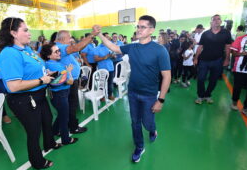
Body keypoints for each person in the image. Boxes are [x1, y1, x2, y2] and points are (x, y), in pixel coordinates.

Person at [93, 15, 171, 163]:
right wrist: (100, 35)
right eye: (138, 26)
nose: (139, 29)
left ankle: (152, 129)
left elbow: (167, 76)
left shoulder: (160, 50)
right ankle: (139, 147)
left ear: (151, 30)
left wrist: (160, 100)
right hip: (133, 92)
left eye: (143, 27)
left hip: (149, 95)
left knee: (147, 123)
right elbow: (114, 47)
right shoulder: (132, 46)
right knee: (135, 122)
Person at [0, 17, 61, 169]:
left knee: (47, 119)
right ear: (13, 33)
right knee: (34, 131)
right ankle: (37, 162)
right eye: (25, 30)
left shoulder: (26, 50)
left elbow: (34, 69)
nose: (29, 33)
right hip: (23, 99)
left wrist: (47, 73)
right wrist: (41, 80)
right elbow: (13, 86)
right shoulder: (9, 53)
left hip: (39, 94)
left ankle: (50, 143)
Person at [55, 30, 96, 134]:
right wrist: (92, 35)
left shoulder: (59, 47)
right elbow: (76, 48)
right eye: (69, 37)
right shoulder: (61, 47)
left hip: (71, 80)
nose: (71, 39)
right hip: (70, 81)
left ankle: (57, 128)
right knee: (71, 105)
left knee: (67, 106)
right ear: (63, 38)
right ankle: (73, 127)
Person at [40, 43, 79, 144]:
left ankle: (54, 130)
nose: (59, 53)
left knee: (62, 114)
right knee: (64, 118)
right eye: (56, 51)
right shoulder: (57, 66)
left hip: (55, 94)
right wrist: (69, 72)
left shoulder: (47, 64)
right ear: (49, 55)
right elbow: (69, 81)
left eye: (59, 50)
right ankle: (66, 139)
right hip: (61, 94)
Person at [194, 14, 232, 104]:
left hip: (217, 60)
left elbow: (228, 47)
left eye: (218, 19)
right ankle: (200, 95)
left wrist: (227, 59)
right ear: (211, 22)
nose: (216, 21)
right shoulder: (205, 33)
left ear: (221, 21)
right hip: (204, 60)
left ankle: (207, 95)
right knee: (201, 78)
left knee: (213, 80)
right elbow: (200, 47)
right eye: (214, 19)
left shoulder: (226, 33)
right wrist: (196, 58)